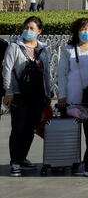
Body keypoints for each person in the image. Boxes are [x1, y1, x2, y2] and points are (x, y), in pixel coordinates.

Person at [2, 16, 51, 177]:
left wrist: (48, 93)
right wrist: (8, 92)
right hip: (18, 95)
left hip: (37, 95)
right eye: (26, 27)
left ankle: (22, 158)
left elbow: (46, 73)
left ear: (39, 31)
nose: (28, 31)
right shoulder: (14, 47)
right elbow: (7, 70)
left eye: (32, 28)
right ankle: (15, 162)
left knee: (31, 127)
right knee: (18, 128)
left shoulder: (43, 49)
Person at [57, 17, 88, 176]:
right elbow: (61, 75)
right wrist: (61, 96)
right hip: (73, 98)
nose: (86, 32)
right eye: (83, 29)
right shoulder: (68, 50)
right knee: (72, 133)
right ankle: (71, 162)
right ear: (76, 31)